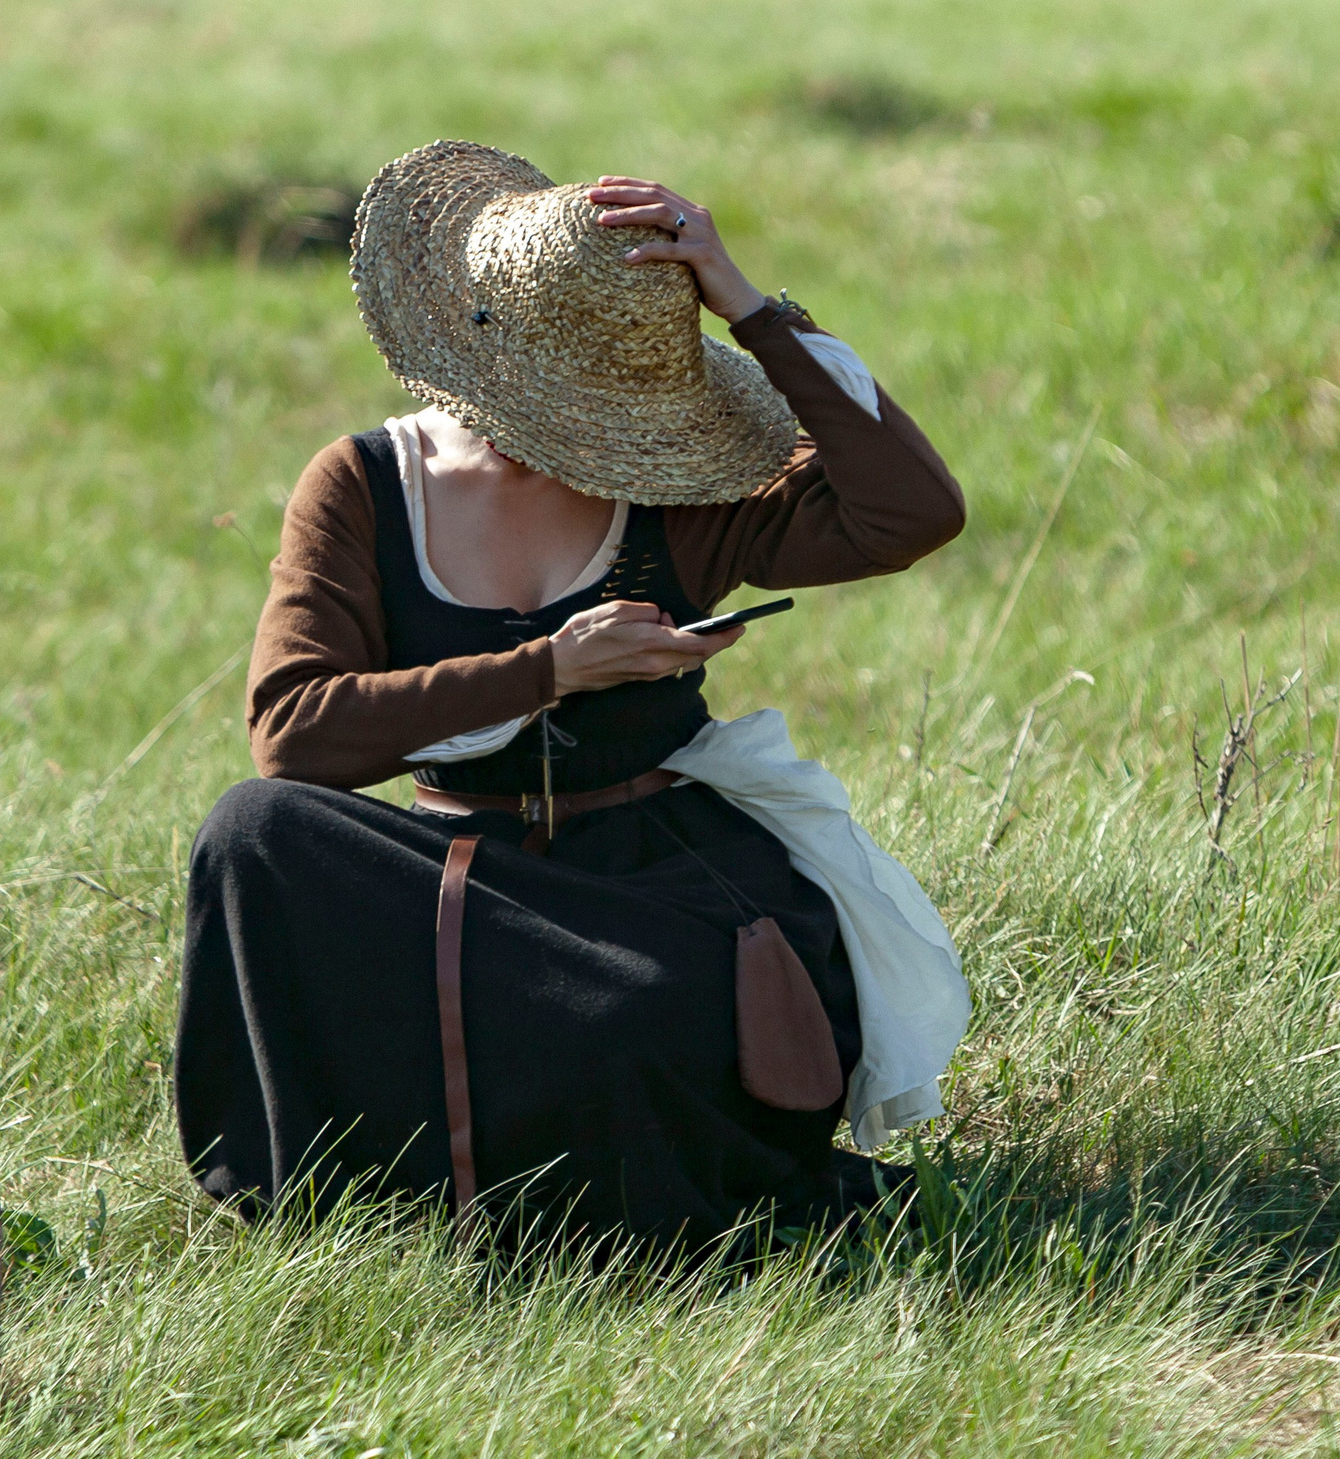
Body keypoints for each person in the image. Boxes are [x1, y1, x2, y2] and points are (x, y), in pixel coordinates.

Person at [177, 140, 971, 1250]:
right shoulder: (360, 483)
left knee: (637, 1016)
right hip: (458, 869)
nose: (584, 431)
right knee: (251, 831)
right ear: (472, 338)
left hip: (658, 872)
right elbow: (294, 739)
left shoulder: (684, 488)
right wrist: (551, 670)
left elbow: (911, 514)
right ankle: (307, 1197)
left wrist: (747, 305)